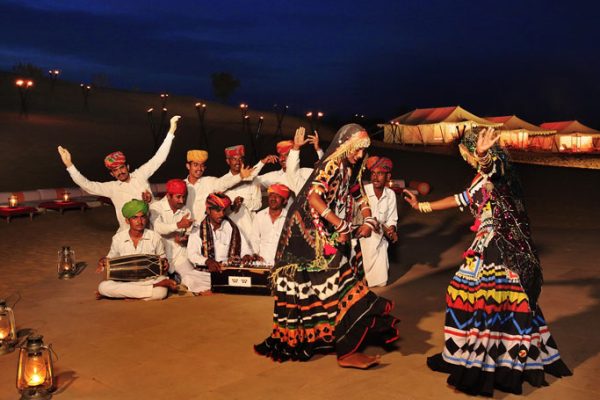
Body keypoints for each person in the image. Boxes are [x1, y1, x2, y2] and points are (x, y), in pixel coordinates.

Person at [403, 127, 571, 396]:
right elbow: (460, 199)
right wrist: (421, 206)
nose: (467, 158)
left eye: (468, 154)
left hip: (500, 245)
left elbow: (493, 169)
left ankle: (490, 365)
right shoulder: (480, 179)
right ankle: (464, 354)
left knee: (489, 301)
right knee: (464, 294)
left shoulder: (498, 170)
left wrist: (483, 155)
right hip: (485, 242)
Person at [254, 124, 399, 369]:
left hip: (323, 235)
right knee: (340, 287)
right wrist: (342, 226)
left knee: (334, 288)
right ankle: (346, 350)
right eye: (357, 149)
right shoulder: (332, 165)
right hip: (305, 237)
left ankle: (343, 345)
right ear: (346, 145)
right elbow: (313, 197)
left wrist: (369, 218)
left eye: (364, 150)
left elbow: (357, 195)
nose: (360, 155)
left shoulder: (350, 168)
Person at [57, 116, 181, 231]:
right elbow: (87, 185)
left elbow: (159, 158)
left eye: (121, 167)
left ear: (127, 167)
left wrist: (171, 132)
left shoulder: (140, 175)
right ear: (112, 174)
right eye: (115, 170)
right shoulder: (112, 188)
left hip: (152, 230)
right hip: (127, 234)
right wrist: (69, 165)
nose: (120, 172)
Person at [97, 199, 177, 300]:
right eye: (135, 218)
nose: (139, 221)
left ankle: (128, 294)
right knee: (103, 287)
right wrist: (103, 261)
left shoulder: (155, 237)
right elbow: (110, 259)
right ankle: (148, 291)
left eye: (142, 217)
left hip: (149, 279)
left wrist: (165, 263)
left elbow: (162, 258)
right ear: (127, 221)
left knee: (161, 293)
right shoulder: (118, 238)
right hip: (125, 280)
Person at [149, 179, 212, 294]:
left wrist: (185, 239)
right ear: (168, 196)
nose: (182, 201)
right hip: (159, 258)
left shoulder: (185, 211)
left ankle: (177, 279)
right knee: (158, 287)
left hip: (179, 256)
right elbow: (158, 228)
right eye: (178, 197)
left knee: (192, 278)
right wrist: (178, 225)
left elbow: (188, 233)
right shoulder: (156, 208)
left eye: (184, 197)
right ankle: (174, 279)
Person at [187, 193, 253, 281]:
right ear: (208, 210)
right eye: (218, 211)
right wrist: (207, 261)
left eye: (224, 210)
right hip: (206, 273)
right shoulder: (197, 229)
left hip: (229, 272)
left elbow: (245, 248)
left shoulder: (231, 227)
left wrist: (247, 255)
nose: (222, 214)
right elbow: (192, 254)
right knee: (189, 278)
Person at [221, 145, 276, 246]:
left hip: (250, 230)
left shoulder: (253, 180)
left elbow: (258, 205)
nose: (238, 162)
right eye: (234, 159)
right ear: (228, 161)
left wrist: (243, 202)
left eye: (240, 159)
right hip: (229, 230)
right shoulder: (223, 181)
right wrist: (232, 206)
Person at [357, 156, 398, 287]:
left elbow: (392, 218)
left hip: (380, 237)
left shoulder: (390, 194)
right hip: (363, 235)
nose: (375, 177)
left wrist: (392, 229)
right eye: (373, 174)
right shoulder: (363, 191)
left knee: (381, 282)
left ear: (388, 177)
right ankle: (361, 274)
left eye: (380, 174)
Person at [184, 149, 255, 220]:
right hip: (186, 228)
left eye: (202, 165)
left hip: (206, 228)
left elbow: (224, 183)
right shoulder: (182, 185)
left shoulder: (209, 182)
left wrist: (240, 176)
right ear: (188, 166)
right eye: (195, 165)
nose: (199, 168)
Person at [254, 131, 323, 191]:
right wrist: (261, 163)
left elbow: (325, 172)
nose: (282, 159)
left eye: (286, 155)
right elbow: (250, 182)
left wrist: (318, 149)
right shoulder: (273, 176)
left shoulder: (305, 172)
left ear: (294, 155)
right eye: (280, 155)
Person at [250, 184, 290, 266]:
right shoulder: (259, 216)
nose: (273, 198)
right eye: (271, 195)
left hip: (281, 265)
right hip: (260, 264)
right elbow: (254, 239)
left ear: (285, 201)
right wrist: (254, 255)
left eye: (277, 196)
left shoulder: (289, 218)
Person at [285, 127, 324, 194]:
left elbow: (326, 165)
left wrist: (318, 149)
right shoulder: (299, 178)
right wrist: (296, 147)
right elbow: (292, 168)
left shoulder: (323, 179)